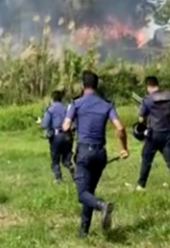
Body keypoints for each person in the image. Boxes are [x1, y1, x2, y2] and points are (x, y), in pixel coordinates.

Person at [62, 71, 129, 238]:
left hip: (84, 152)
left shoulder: (76, 104)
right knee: (89, 190)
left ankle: (102, 206)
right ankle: (83, 232)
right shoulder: (107, 105)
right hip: (100, 153)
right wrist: (124, 148)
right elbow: (120, 128)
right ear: (97, 85)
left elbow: (65, 126)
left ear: (82, 85)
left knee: (82, 194)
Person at [136, 76, 170, 192]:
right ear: (157, 84)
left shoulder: (147, 100)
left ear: (148, 86)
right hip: (168, 134)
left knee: (146, 159)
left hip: (153, 135)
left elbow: (141, 119)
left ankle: (141, 185)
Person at [40, 89, 74, 183]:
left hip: (56, 136)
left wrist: (40, 122)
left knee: (55, 159)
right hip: (68, 135)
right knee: (66, 159)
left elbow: (45, 125)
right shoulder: (67, 108)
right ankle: (72, 169)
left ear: (52, 99)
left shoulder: (50, 109)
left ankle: (58, 179)